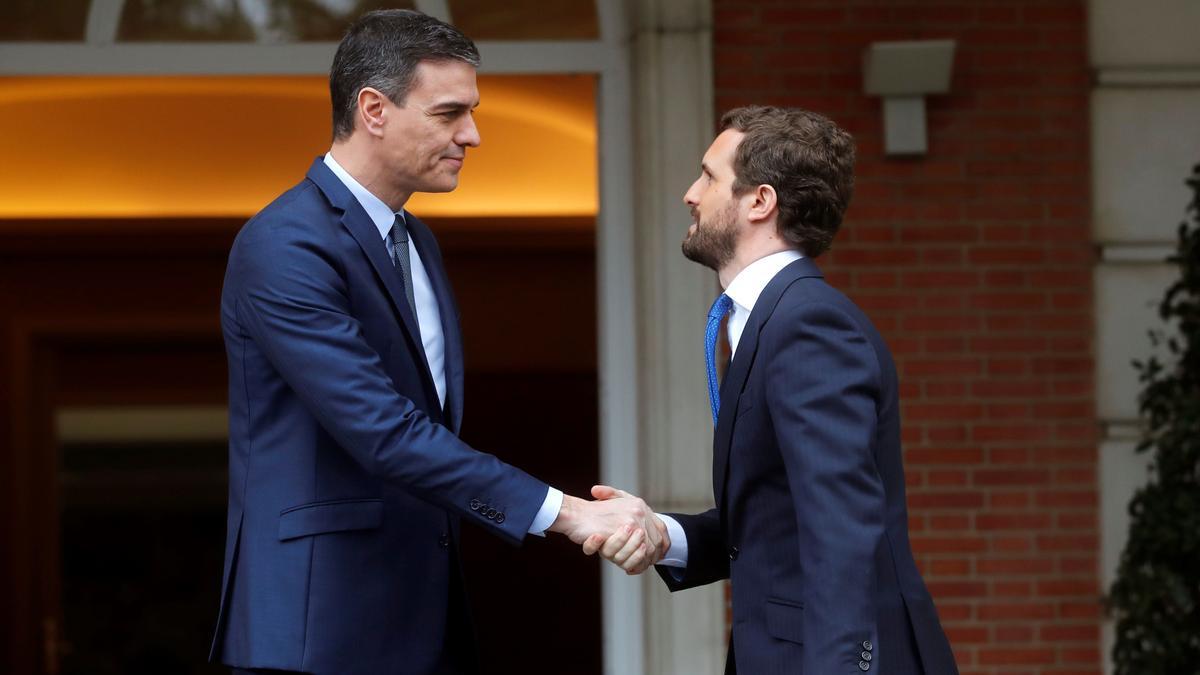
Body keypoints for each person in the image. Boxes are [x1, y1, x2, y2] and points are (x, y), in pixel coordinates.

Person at [210, 10, 664, 675]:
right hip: (317, 631)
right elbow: (383, 429)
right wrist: (565, 513)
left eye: (472, 112)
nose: (473, 135)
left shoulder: (416, 240)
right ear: (373, 109)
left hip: (418, 618)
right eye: (450, 113)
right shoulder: (284, 244)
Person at [587, 106, 959, 675]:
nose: (691, 194)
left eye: (709, 177)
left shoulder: (807, 325)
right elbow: (773, 521)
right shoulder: (769, 318)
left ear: (760, 201)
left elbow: (842, 531)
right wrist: (665, 534)